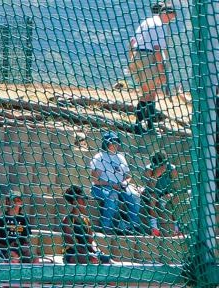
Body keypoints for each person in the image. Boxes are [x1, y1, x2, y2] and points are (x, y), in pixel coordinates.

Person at [62, 185, 117, 288]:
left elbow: (91, 241)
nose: (85, 201)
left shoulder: (86, 219)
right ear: (75, 201)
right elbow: (73, 244)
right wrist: (89, 255)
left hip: (87, 251)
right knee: (87, 262)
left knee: (110, 263)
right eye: (82, 199)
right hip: (72, 253)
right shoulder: (67, 220)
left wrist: (97, 252)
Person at [128, 1, 176, 133]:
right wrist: (161, 71)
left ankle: (144, 125)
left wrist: (132, 59)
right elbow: (157, 48)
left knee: (146, 93)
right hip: (149, 57)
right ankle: (144, 125)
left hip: (137, 56)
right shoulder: (159, 25)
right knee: (151, 93)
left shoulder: (145, 22)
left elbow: (132, 41)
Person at [90, 132, 142, 233]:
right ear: (106, 143)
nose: (115, 144)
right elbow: (95, 180)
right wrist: (112, 185)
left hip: (120, 186)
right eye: (112, 142)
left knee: (135, 195)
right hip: (101, 187)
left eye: (116, 142)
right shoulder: (99, 157)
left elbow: (128, 176)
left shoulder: (120, 157)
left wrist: (124, 183)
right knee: (113, 196)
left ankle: (134, 226)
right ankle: (106, 227)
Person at [142, 151, 178, 236]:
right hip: (152, 192)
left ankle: (177, 228)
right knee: (153, 197)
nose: (162, 165)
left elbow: (175, 186)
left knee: (175, 198)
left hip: (166, 192)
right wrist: (156, 175)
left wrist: (171, 193)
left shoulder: (172, 169)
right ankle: (154, 227)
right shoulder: (149, 169)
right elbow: (150, 187)